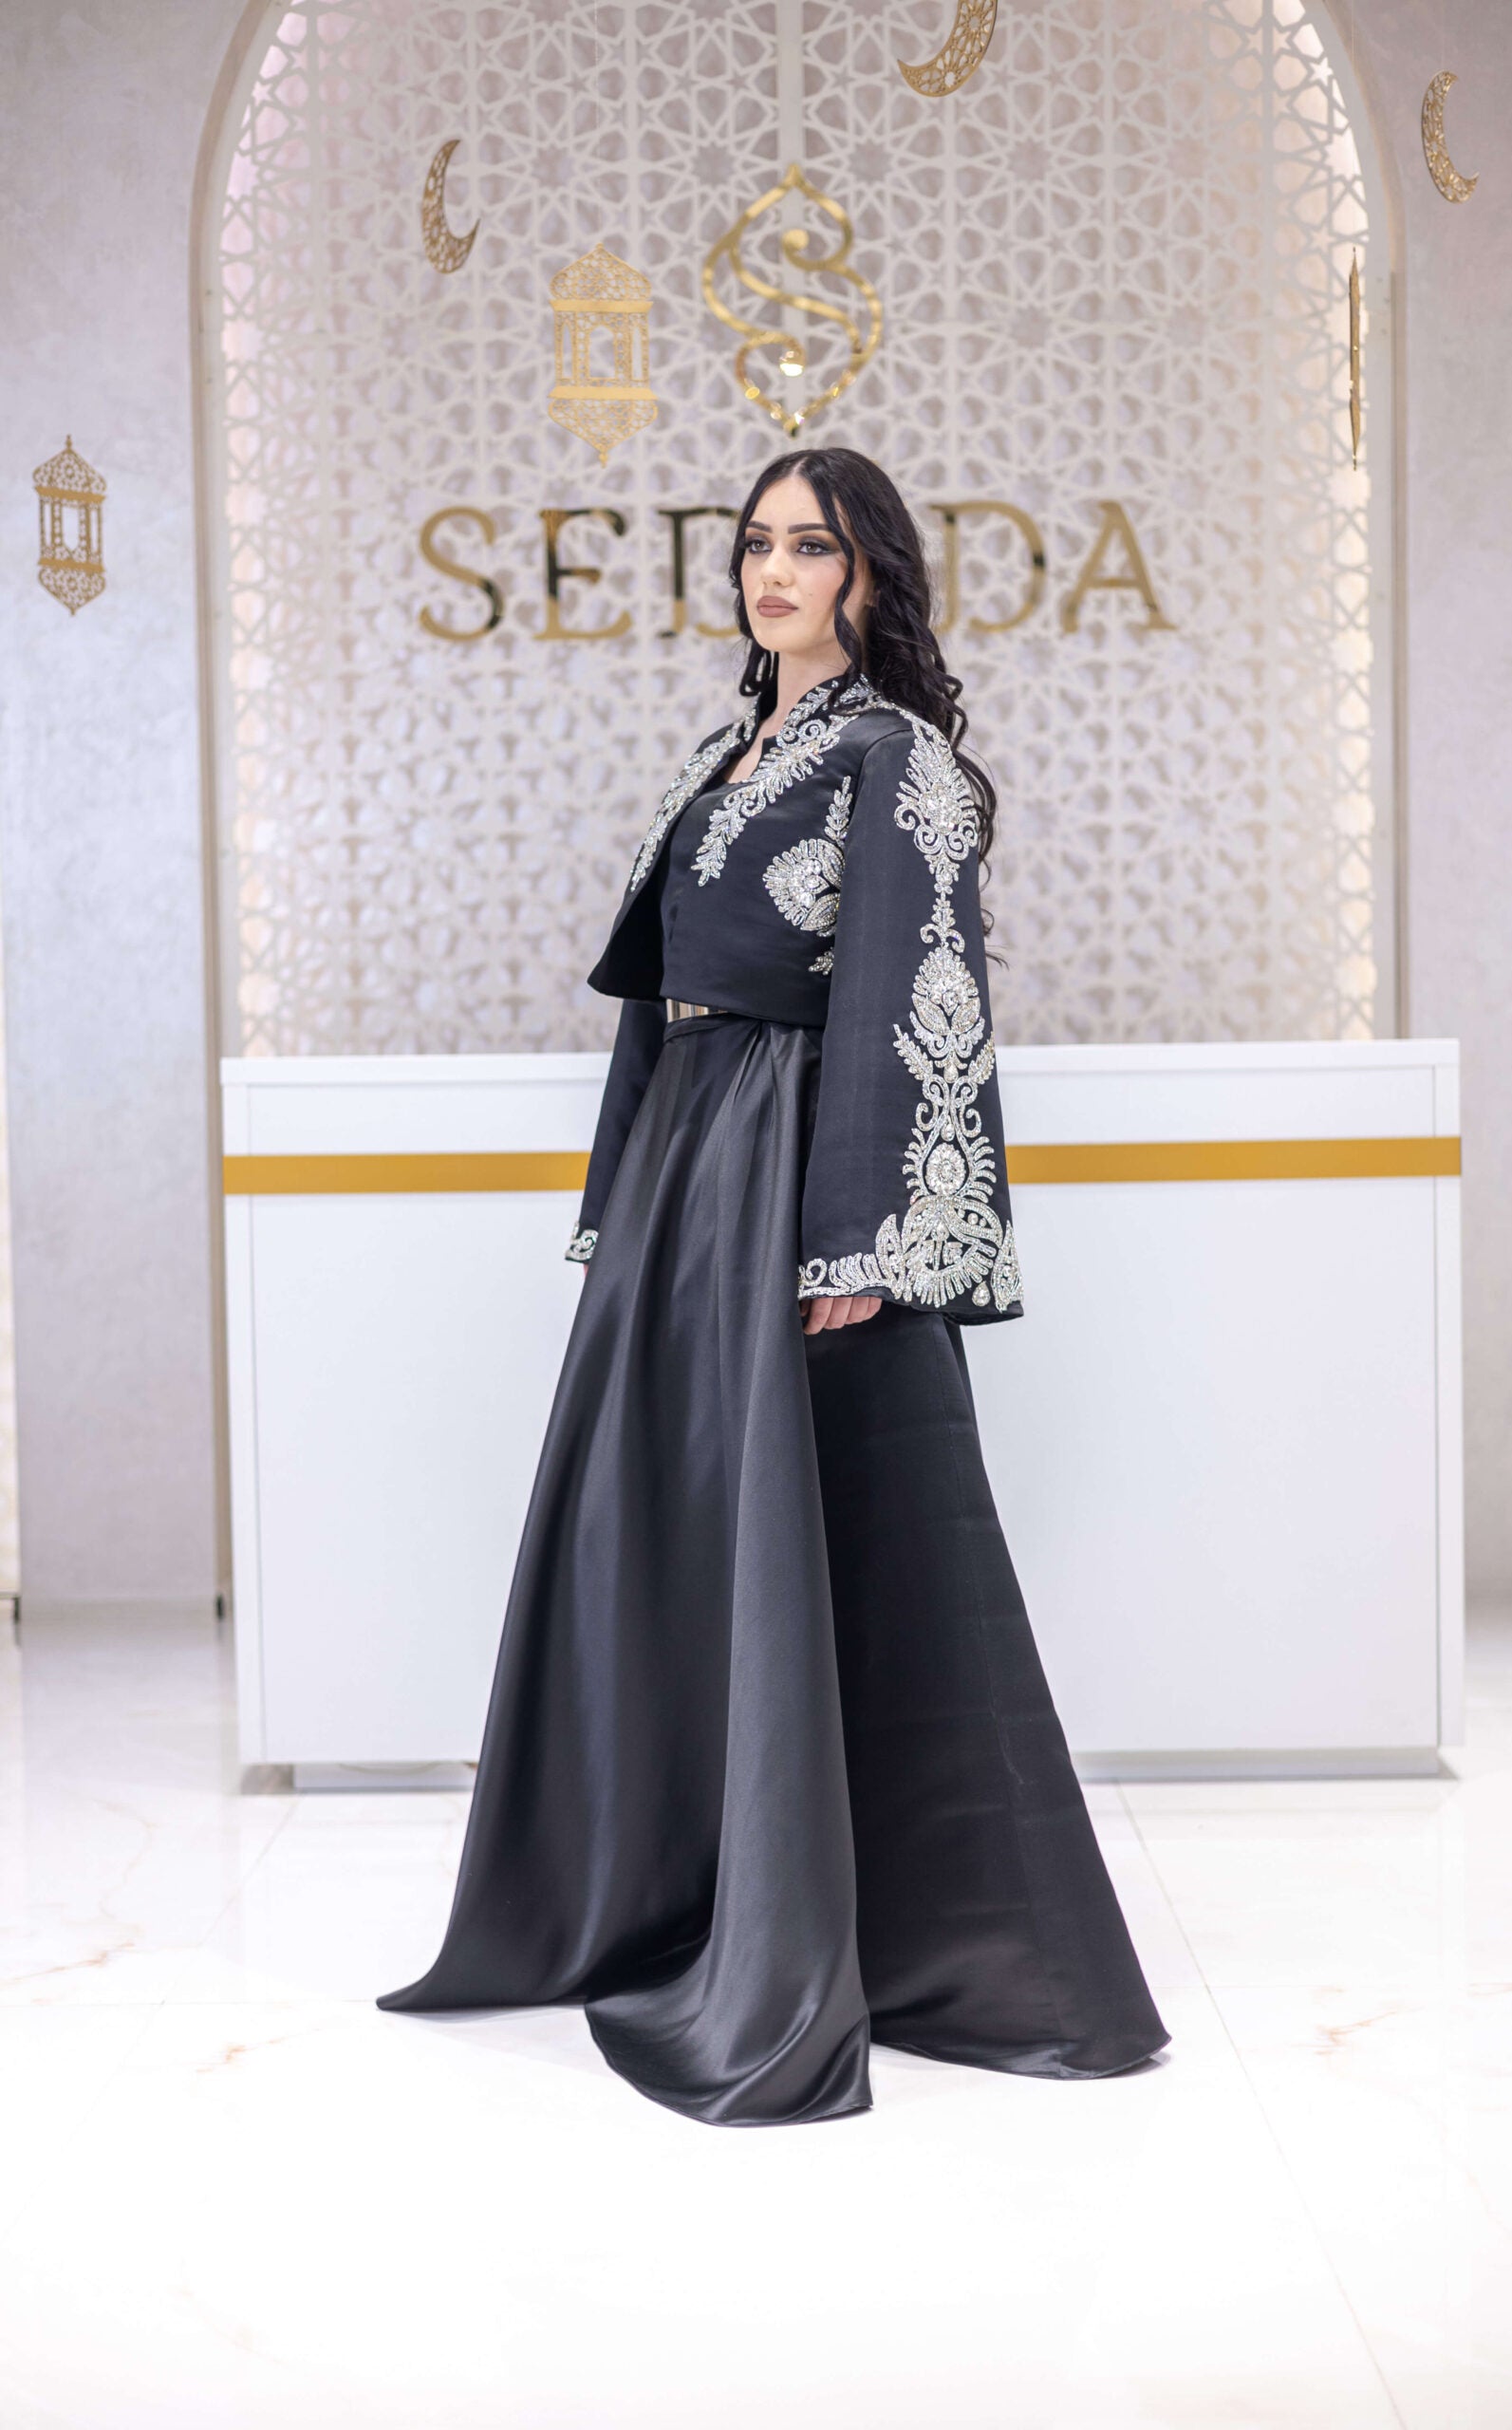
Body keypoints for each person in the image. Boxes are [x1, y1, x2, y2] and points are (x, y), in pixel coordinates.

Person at [380, 447, 1167, 2123]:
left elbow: (916, 999)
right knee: (675, 1527)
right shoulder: (725, 754)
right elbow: (655, 1004)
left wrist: (862, 1240)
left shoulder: (898, 761)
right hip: (691, 1175)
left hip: (798, 1177)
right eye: (756, 543)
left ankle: (926, 1950)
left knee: (847, 1548)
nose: (774, 570)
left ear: (872, 572)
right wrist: (624, 1206)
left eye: (812, 545)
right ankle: (670, 1892)